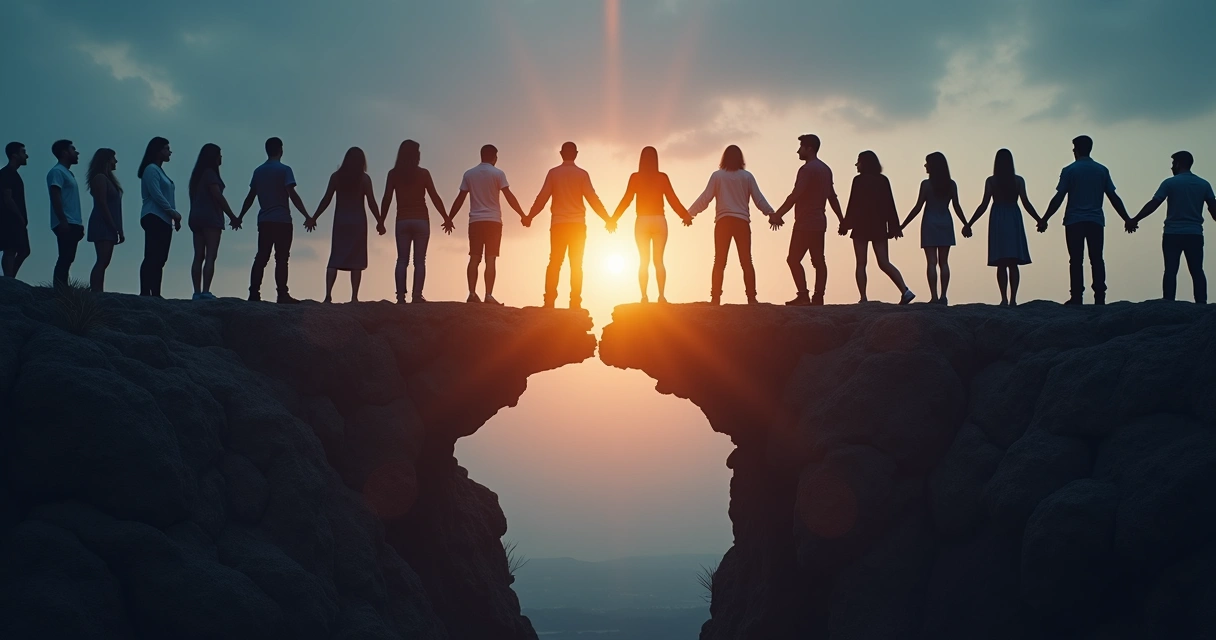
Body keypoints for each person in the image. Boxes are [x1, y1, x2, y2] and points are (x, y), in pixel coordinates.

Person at [1037, 135, 1132, 305]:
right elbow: (1112, 196)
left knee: (1075, 260)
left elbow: (1059, 197)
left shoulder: (1070, 170)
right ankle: (1100, 296)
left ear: (1077, 149)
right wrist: (1127, 218)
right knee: (1097, 258)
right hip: (1095, 220)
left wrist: (1045, 218)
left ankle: (1076, 296)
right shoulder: (1102, 170)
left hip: (1074, 220)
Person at [526, 142, 613, 310]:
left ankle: (549, 301)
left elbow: (542, 197)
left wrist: (530, 216)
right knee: (576, 264)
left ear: (560, 153)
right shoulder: (582, 174)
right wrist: (607, 219)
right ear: (576, 154)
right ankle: (575, 302)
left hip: (558, 224)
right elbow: (592, 198)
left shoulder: (553, 173)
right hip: (577, 225)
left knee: (554, 262)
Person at [687, 145, 773, 305]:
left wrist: (690, 213)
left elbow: (705, 198)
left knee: (719, 261)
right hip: (742, 223)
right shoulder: (747, 176)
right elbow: (758, 198)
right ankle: (752, 298)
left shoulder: (717, 176)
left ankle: (715, 298)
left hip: (723, 222)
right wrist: (771, 213)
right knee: (746, 261)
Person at [1126, 151, 1216, 304]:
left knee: (1170, 270)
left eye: (1173, 163)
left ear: (1179, 164)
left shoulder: (1170, 183)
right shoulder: (1204, 184)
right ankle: (1202, 304)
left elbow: (1154, 203)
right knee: (1197, 270)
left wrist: (1135, 219)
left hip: (1172, 233)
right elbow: (1214, 211)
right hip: (1194, 233)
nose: (1171, 167)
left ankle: (1168, 302)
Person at [769, 134, 844, 306]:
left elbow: (795, 194)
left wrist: (778, 214)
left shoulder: (807, 170)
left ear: (809, 148)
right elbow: (832, 197)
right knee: (819, 261)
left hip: (804, 223)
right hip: (819, 223)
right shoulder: (826, 169)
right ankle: (819, 296)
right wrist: (842, 219)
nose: (798, 151)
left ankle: (803, 295)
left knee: (793, 259)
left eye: (801, 147)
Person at [609, 146, 691, 303]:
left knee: (643, 261)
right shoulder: (662, 177)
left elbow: (626, 200)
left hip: (642, 221)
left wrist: (613, 219)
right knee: (659, 260)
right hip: (659, 220)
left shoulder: (635, 177)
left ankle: (644, 296)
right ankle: (661, 295)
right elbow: (672, 199)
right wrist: (685, 215)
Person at [448, 144, 527, 305]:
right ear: (494, 157)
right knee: (490, 259)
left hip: (475, 221)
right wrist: (523, 215)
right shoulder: (498, 174)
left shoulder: (469, 174)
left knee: (474, 257)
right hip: (493, 221)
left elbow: (460, 198)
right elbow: (509, 196)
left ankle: (471, 293)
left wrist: (449, 217)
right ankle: (488, 295)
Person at [239, 137, 311, 303]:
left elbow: (251, 197)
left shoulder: (258, 171)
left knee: (261, 257)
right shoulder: (285, 170)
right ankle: (282, 294)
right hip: (283, 221)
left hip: (265, 221)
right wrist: (307, 216)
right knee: (282, 258)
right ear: (281, 150)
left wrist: (240, 217)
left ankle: (254, 293)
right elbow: (292, 195)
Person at [308, 147, 383, 303]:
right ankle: (354, 297)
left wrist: (314, 217)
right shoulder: (364, 179)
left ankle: (328, 295)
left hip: (341, 221)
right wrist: (380, 221)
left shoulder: (336, 177)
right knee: (357, 260)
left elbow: (326, 199)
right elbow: (371, 202)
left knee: (335, 257)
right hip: (358, 222)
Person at [967, 149, 1039, 307]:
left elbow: (984, 204)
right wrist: (1039, 219)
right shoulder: (1018, 180)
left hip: (998, 218)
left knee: (1001, 261)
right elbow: (1026, 202)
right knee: (1013, 261)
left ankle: (1004, 299)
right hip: (1013, 217)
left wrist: (969, 223)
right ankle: (1013, 299)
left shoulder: (991, 181)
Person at [841, 150, 914, 304]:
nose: (856, 164)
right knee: (884, 262)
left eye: (858, 161)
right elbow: (890, 204)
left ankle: (863, 298)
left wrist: (846, 225)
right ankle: (905, 290)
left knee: (861, 263)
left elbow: (853, 204)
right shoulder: (883, 180)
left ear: (864, 163)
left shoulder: (858, 180)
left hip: (861, 226)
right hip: (879, 226)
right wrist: (894, 227)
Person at [381, 140, 447, 303]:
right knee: (420, 260)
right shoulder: (423, 173)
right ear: (416, 155)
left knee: (402, 259)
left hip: (402, 220)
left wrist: (381, 220)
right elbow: (435, 197)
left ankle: (400, 297)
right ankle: (417, 295)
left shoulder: (393, 174)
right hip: (421, 220)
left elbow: (387, 198)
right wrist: (446, 217)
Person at [899, 152, 968, 305]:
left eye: (927, 163)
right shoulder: (951, 184)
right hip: (945, 222)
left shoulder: (926, 184)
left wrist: (902, 225)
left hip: (929, 223)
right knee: (944, 262)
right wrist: (966, 223)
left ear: (933, 166)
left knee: (931, 262)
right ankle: (944, 296)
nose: (925, 166)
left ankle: (934, 296)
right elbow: (956, 206)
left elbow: (917, 207)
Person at [187, 144, 240, 300]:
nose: (221, 157)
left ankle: (196, 292)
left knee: (198, 255)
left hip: (195, 217)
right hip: (210, 218)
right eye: (220, 154)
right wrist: (232, 216)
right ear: (214, 157)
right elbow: (217, 196)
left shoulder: (197, 176)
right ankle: (206, 291)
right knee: (210, 255)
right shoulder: (210, 174)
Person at [137, 137, 181, 297]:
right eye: (166, 148)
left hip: (165, 219)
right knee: (151, 255)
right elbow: (156, 194)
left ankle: (155, 292)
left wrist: (173, 216)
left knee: (161, 258)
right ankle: (145, 292)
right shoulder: (151, 169)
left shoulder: (160, 171)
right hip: (153, 216)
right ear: (158, 150)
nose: (169, 152)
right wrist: (172, 212)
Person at [85, 148, 124, 292]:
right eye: (113, 158)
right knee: (102, 260)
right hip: (102, 223)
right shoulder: (100, 178)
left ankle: (98, 290)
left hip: (110, 224)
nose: (116, 161)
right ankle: (96, 292)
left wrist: (118, 228)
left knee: (105, 260)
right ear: (107, 160)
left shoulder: (108, 180)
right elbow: (102, 203)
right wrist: (113, 226)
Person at [47, 139, 83, 287]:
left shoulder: (67, 173)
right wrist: (62, 220)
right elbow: (55, 195)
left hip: (72, 221)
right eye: (73, 149)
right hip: (65, 221)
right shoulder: (57, 172)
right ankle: (60, 289)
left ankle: (63, 288)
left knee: (68, 257)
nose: (77, 152)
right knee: (65, 257)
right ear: (64, 153)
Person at [0, 142, 30, 278]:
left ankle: (11, 277)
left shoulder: (15, 175)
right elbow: (7, 198)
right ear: (14, 155)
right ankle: (8, 278)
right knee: (10, 249)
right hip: (9, 218)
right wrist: (19, 216)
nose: (26, 156)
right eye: (23, 152)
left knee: (24, 250)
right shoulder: (6, 173)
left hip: (18, 220)